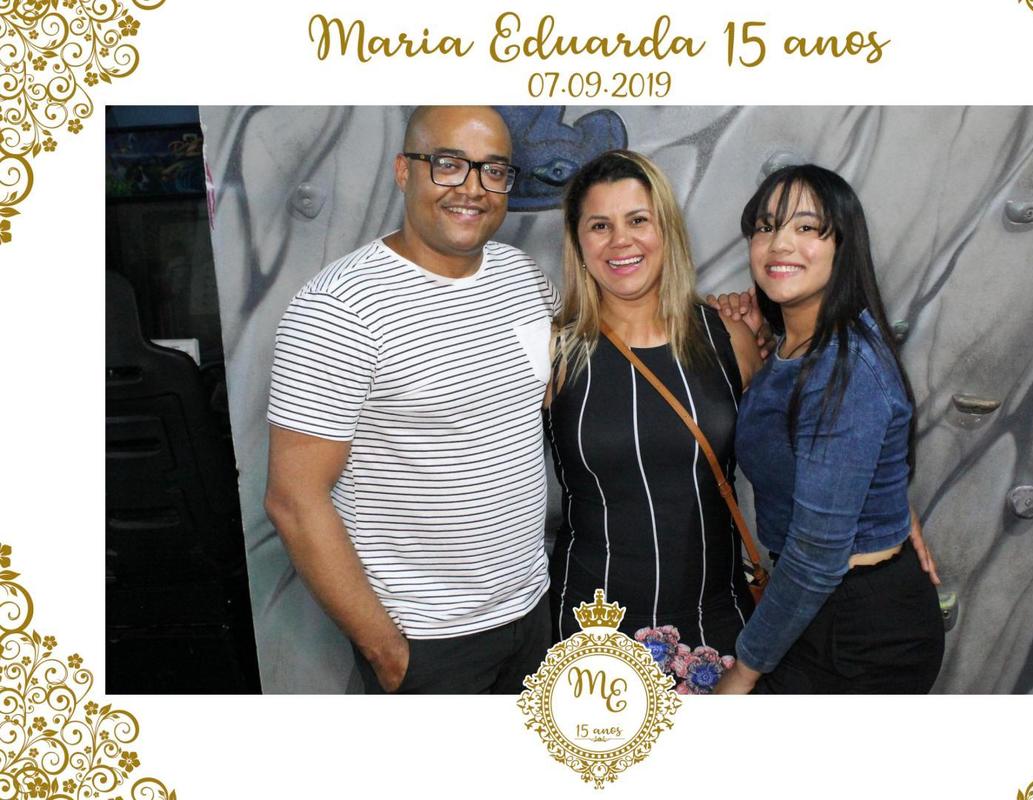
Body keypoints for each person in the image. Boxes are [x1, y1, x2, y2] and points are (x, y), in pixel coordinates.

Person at [263, 106, 559, 694]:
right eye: (448, 164)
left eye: (493, 170)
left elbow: (564, 390)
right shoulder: (338, 308)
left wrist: (719, 319)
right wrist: (389, 653)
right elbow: (294, 501)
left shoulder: (523, 278)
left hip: (532, 610)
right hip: (424, 642)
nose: (472, 188)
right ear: (404, 171)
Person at [715, 164, 945, 694]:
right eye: (766, 227)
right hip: (818, 609)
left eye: (806, 228)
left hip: (860, 632)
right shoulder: (802, 344)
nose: (780, 243)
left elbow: (818, 556)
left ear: (843, 244)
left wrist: (743, 672)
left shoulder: (841, 366)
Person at [546, 150, 762, 666]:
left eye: (638, 220)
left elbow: (794, 460)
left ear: (667, 229)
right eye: (600, 225)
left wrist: (890, 513)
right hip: (592, 630)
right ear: (579, 242)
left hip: (718, 621)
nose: (621, 240)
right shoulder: (553, 350)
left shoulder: (729, 337)